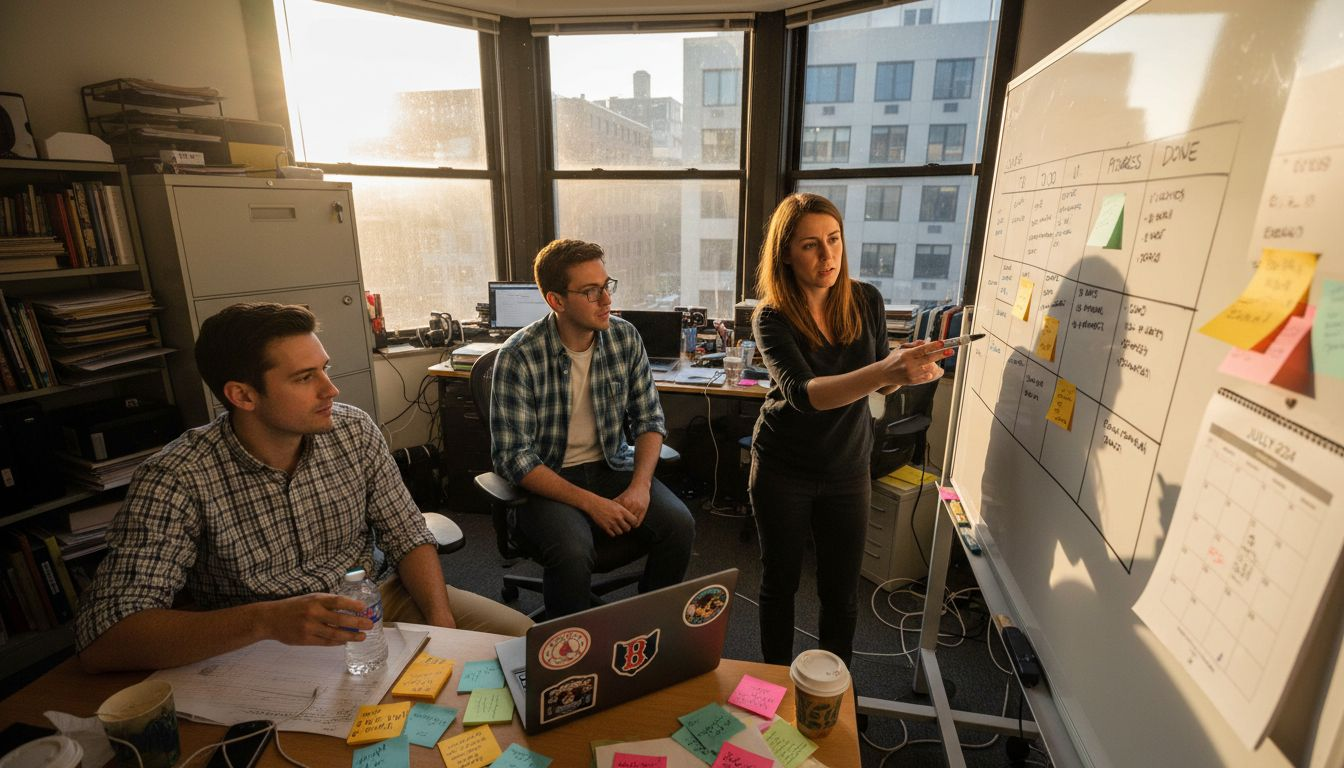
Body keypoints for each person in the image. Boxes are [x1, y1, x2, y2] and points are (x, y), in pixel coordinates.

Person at [76, 302, 531, 673]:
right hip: (257, 636)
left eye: (324, 369)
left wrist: (442, 625)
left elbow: (407, 534)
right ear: (243, 396)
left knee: (531, 645)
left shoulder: (353, 431)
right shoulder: (177, 477)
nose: (330, 389)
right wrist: (267, 620)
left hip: (375, 598)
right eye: (303, 377)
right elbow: (105, 638)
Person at [750, 193, 951, 667]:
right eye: (811, 245)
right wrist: (888, 371)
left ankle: (833, 691)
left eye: (834, 240)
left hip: (847, 468)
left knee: (840, 596)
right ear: (785, 252)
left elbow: (878, 384)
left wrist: (915, 370)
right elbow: (807, 395)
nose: (828, 256)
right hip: (784, 468)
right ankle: (776, 686)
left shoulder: (865, 299)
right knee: (779, 586)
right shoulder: (771, 316)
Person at [490, 239, 695, 618]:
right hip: (548, 479)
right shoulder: (518, 356)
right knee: (572, 550)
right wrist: (591, 504)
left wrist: (640, 486)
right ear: (556, 301)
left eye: (607, 285)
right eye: (590, 291)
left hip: (611, 467)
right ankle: (571, 655)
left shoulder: (624, 337)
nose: (606, 301)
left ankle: (649, 631)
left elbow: (649, 419)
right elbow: (514, 459)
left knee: (679, 524)